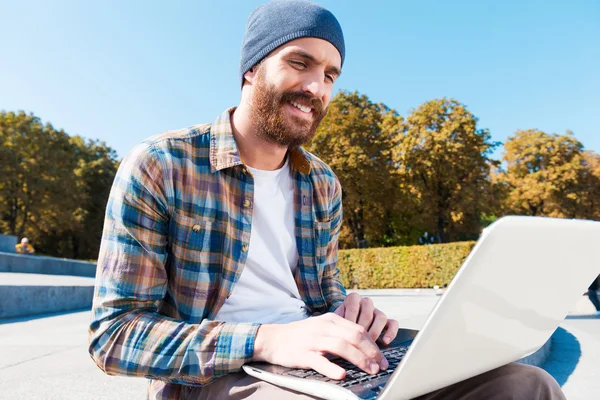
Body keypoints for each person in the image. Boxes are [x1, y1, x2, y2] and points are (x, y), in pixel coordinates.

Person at [88, 1, 566, 399]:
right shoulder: (161, 163)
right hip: (214, 376)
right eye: (300, 63)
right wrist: (267, 340)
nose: (316, 87)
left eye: (330, 74)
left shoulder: (322, 184)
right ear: (252, 69)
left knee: (527, 386)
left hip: (320, 362)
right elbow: (114, 336)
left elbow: (321, 296)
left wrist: (351, 313)